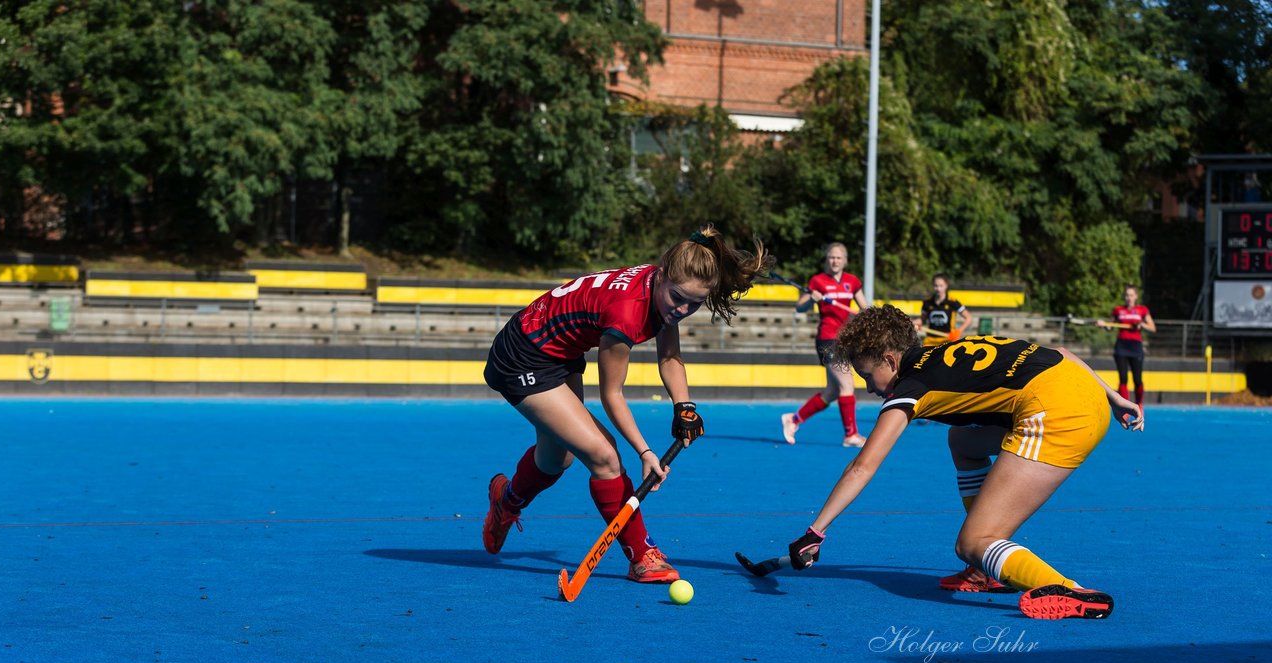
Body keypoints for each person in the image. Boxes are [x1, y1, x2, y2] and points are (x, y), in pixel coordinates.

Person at [776, 304, 1144, 620]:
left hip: (1060, 414)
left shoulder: (910, 387)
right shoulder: (943, 351)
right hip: (1085, 391)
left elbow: (863, 466)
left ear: (890, 360)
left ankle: (1073, 592)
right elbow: (1061, 351)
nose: (869, 388)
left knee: (973, 541)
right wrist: (1113, 398)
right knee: (964, 439)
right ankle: (985, 571)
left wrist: (815, 532)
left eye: (868, 376)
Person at [481, 224, 768, 584]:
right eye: (678, 298)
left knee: (557, 458)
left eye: (694, 304)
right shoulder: (627, 312)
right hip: (523, 356)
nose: (682, 310)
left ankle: (506, 502)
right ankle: (641, 556)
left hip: (557, 351)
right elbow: (612, 395)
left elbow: (669, 358)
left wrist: (685, 407)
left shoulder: (662, 290)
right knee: (604, 456)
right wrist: (646, 452)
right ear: (661, 275)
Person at [781, 242, 870, 448]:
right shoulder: (817, 281)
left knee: (832, 391)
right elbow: (800, 308)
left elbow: (864, 307)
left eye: (839, 258)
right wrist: (812, 299)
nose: (835, 261)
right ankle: (851, 435)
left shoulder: (852, 281)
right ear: (826, 259)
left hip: (845, 339)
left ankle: (793, 420)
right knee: (847, 384)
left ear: (845, 260)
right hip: (828, 339)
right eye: (831, 257)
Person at [1098, 285, 1156, 408]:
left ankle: (1139, 404)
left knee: (1137, 379)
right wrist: (1104, 324)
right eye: (1126, 295)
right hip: (1121, 347)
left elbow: (1152, 328)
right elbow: (1110, 327)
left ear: (1136, 296)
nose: (1129, 298)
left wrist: (1141, 325)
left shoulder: (1142, 310)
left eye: (1131, 295)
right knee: (1123, 379)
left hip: (1136, 347)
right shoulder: (1118, 310)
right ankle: (1125, 406)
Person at [918, 272, 973, 346]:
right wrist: (913, 323)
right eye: (936, 286)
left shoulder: (952, 301)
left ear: (946, 286)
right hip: (930, 341)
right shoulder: (927, 302)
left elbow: (968, 318)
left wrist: (959, 331)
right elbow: (922, 320)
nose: (938, 289)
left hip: (948, 340)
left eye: (941, 286)